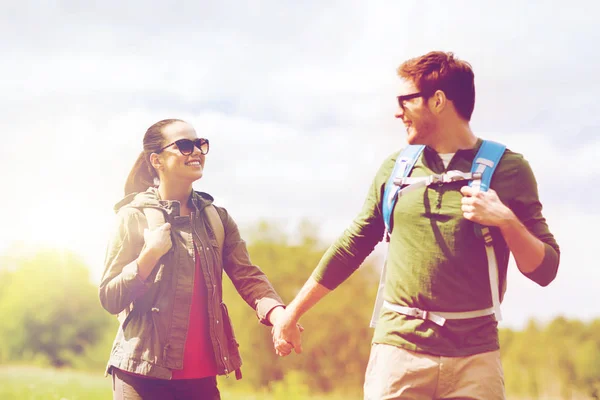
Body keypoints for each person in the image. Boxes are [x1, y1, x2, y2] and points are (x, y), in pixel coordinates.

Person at [272, 51, 560, 399]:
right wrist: (292, 313)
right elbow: (352, 246)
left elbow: (545, 270)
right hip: (398, 355)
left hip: (476, 360)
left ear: (438, 101)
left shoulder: (509, 170)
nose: (397, 112)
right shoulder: (395, 169)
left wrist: (506, 221)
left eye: (405, 101)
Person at [99, 119, 298, 400]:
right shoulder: (134, 216)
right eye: (184, 145)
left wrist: (279, 316)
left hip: (201, 381)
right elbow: (109, 296)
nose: (196, 151)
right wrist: (148, 257)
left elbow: (248, 276)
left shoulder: (218, 219)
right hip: (140, 375)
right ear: (156, 160)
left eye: (200, 144)